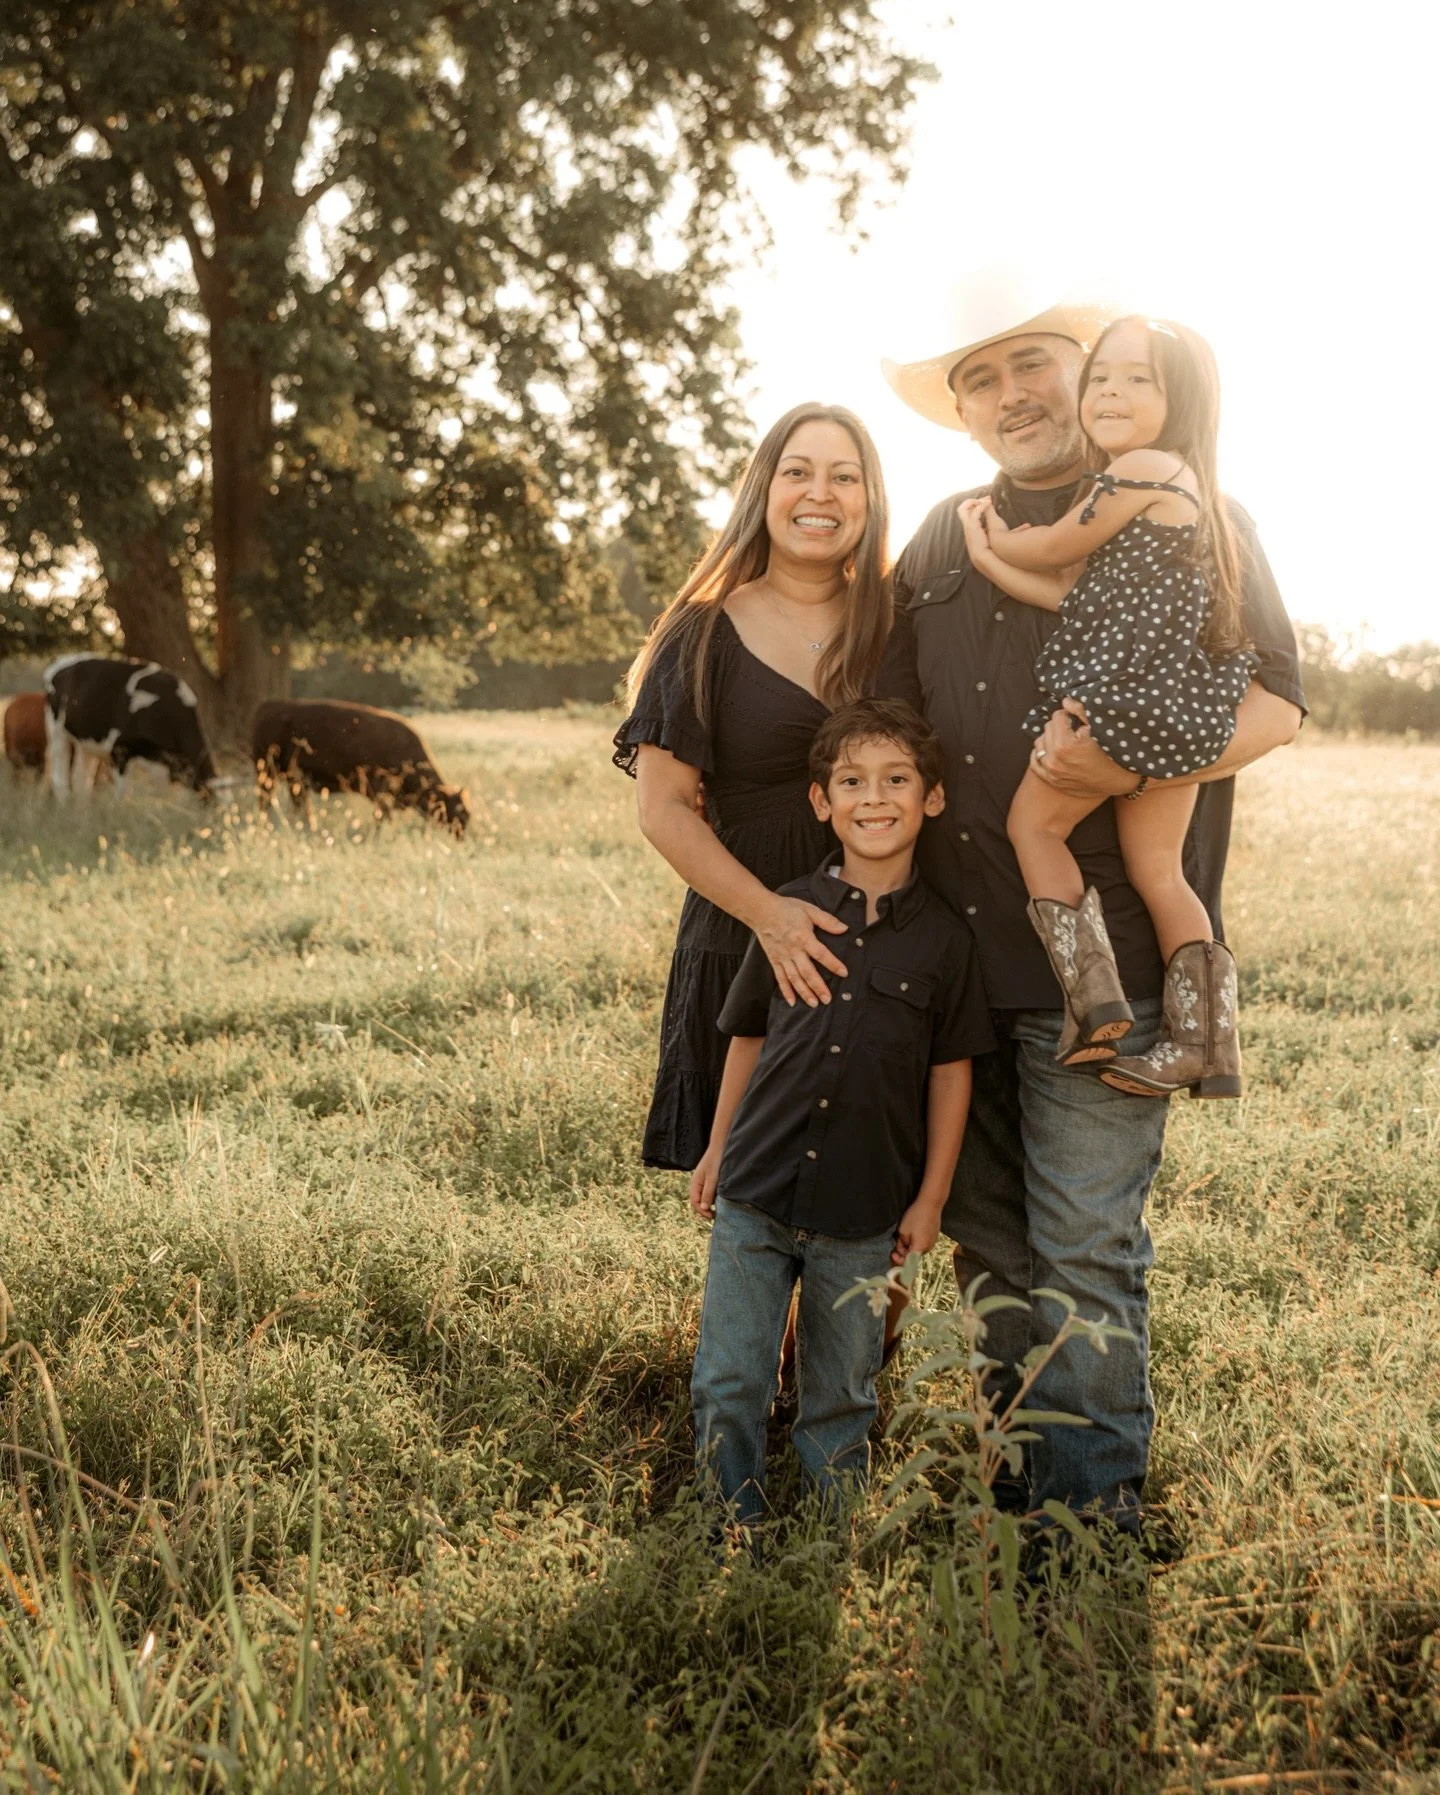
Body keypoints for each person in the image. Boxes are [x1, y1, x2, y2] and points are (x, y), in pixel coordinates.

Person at [879, 275, 1306, 1532]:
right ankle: (1016, 1501)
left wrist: (1124, 762)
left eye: (1032, 367)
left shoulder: (1195, 514)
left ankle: (1092, 1532)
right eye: (981, 379)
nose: (1011, 394)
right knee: (992, 1253)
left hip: (1102, 973)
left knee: (1084, 1252)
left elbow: (1275, 707)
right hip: (957, 968)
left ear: (1091, 376)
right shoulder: (942, 545)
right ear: (961, 412)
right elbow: (891, 730)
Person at [687, 699, 994, 1524]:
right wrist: (718, 1146)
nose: (874, 796)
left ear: (931, 797)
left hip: (865, 1213)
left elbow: (951, 1075)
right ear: (822, 801)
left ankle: (833, 1531)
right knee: (730, 1374)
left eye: (897, 779)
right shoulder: (787, 912)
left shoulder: (945, 943)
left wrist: (931, 1198)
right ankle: (728, 1516)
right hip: (757, 1190)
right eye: (852, 780)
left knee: (842, 1391)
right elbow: (746, 1038)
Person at [613, 402, 921, 1174]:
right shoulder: (702, 633)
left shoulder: (902, 627)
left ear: (870, 498)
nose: (821, 493)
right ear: (764, 490)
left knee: (870, 1199)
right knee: (751, 1193)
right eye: (799, 472)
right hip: (745, 932)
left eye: (844, 476)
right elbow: (663, 809)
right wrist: (773, 920)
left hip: (885, 935)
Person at [957, 315, 1255, 1098]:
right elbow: (1064, 592)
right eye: (1102, 378)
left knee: (1033, 824)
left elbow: (1052, 549)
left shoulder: (1146, 469)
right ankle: (1205, 1041)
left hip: (1119, 703)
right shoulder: (1182, 491)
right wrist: (995, 562)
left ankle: (1094, 1005)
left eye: (1139, 379)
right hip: (1180, 708)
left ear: (1178, 400)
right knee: (1159, 868)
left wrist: (989, 542)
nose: (1112, 392)